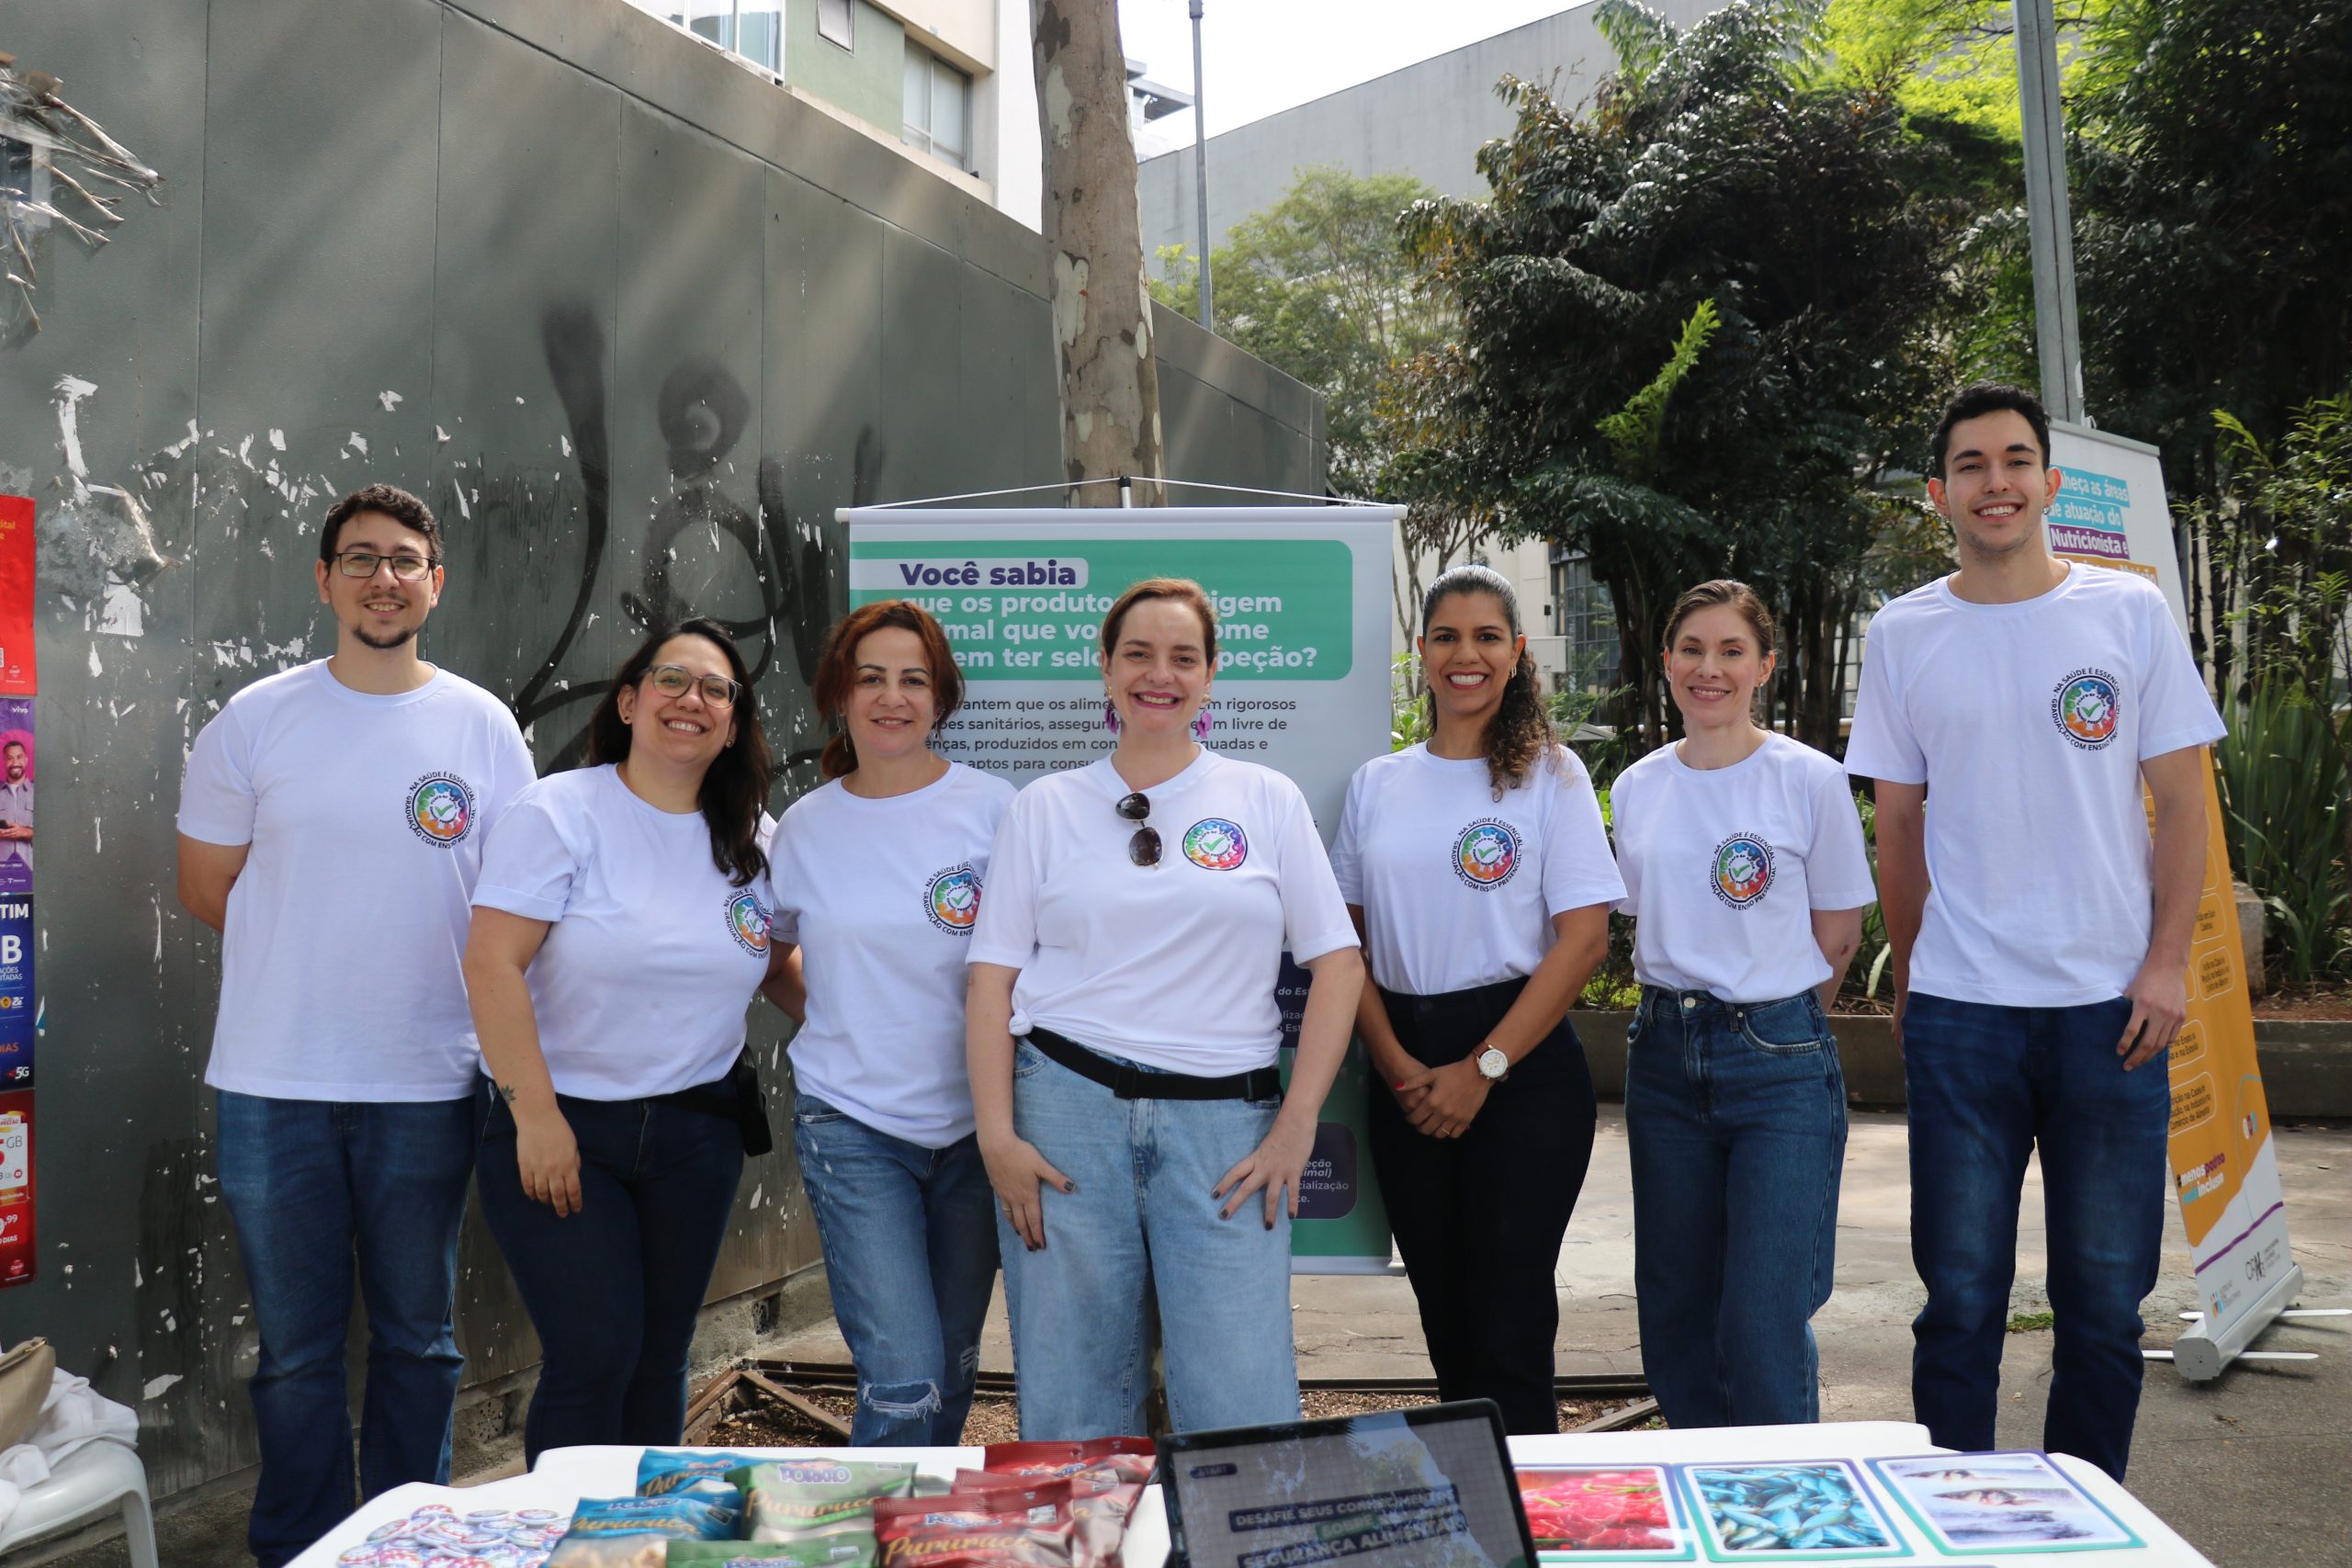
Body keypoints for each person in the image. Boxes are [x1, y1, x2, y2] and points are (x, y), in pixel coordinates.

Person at [1845, 382, 2223, 1480]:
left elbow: (2184, 803)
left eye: (2015, 460)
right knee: (1958, 1300)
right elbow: (1899, 825)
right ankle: (1955, 1517)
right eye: (1970, 464)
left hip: (2112, 1014)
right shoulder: (1905, 630)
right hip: (1963, 1016)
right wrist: (1915, 977)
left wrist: (2162, 966)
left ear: (2048, 482)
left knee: (2104, 1304)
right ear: (1940, 492)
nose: (1994, 482)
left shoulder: (2125, 613)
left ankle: (2082, 1523)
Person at [175, 482, 535, 1566]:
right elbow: (207, 887)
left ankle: (408, 1538)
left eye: (406, 559)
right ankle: (298, 1545)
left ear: (437, 580)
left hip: (426, 1082)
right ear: (326, 580)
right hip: (273, 1083)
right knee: (293, 1352)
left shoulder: (482, 726)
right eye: (362, 558)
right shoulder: (258, 717)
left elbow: (516, 899)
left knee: (421, 1343)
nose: (386, 577)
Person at [966, 578, 1365, 1439]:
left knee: (1241, 1404)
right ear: (1105, 670)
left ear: (1212, 676)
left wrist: (1298, 1124)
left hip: (1227, 1130)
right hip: (1064, 1119)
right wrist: (997, 1136)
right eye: (1138, 654)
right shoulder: (1044, 807)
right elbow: (991, 980)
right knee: (1073, 1401)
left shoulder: (1265, 799)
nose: (1160, 674)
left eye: (1184, 657)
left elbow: (1338, 965)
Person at [463, 616, 780, 1462]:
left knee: (657, 1357)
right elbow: (492, 963)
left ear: (736, 720)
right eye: (672, 680)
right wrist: (536, 1117)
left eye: (718, 689)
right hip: (566, 1127)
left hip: (697, 1133)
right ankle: (571, 1540)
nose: (694, 700)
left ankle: (647, 1537)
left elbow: (784, 968)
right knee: (595, 1353)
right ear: (632, 702)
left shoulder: (756, 838)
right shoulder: (561, 812)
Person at [1329, 564, 1622, 1435]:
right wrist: (1396, 1064)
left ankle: (1532, 1516)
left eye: (1488, 636)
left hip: (1520, 1071)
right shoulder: (1378, 783)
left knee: (1511, 1320)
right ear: (1420, 652)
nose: (1467, 654)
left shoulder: (1552, 777)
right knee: (1446, 1319)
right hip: (1405, 1066)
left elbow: (1584, 942)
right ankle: (1477, 1517)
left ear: (1517, 651)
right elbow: (1346, 944)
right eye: (1448, 636)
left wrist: (1483, 1067)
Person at [1609, 580, 1875, 1428]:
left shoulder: (1808, 778)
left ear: (1764, 665)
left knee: (1762, 1319)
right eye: (1692, 649)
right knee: (1677, 1315)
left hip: (1778, 1062)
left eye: (1731, 651)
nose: (1708, 668)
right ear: (1666, 664)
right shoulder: (1639, 786)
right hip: (1662, 1057)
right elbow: (1636, 915)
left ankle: (1782, 1523)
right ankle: (1707, 1517)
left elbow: (1838, 934)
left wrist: (1772, 1019)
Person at [763, 600, 1014, 1445]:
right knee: (903, 1377)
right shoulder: (804, 827)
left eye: (914, 679)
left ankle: (923, 1531)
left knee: (952, 1364)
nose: (892, 696)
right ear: (840, 692)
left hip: (980, 1130)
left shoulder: (997, 811)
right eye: (871, 677)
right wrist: (836, 1012)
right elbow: (767, 952)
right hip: (854, 1125)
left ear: (941, 698)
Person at [0, 737, 30, 884]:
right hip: (2, 875)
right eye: (10, 758)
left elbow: (56, 834)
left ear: (26, 759)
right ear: (4, 762)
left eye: (19, 757)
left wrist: (27, 832)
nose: (15, 763)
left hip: (33, 873)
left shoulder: (41, 793)